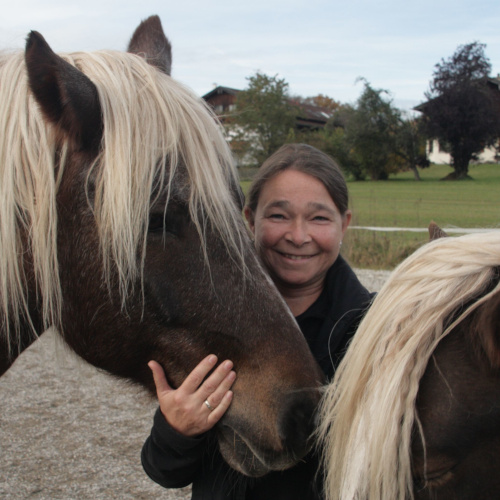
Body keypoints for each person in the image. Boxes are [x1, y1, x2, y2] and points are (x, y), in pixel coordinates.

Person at [141, 143, 373, 499]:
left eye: (319, 218)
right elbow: (164, 471)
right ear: (249, 219)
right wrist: (176, 430)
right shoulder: (209, 319)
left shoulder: (375, 333)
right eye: (278, 216)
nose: (298, 236)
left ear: (345, 224)